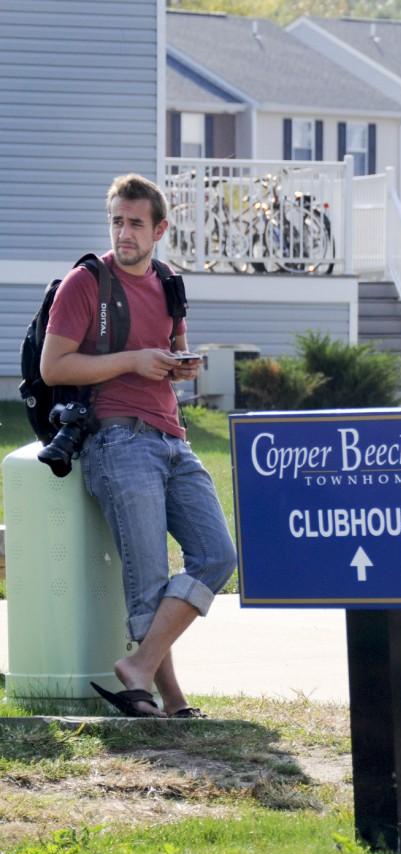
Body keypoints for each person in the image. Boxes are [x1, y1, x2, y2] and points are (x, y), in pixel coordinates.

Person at [41, 173, 237, 717]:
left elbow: (171, 352)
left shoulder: (170, 282)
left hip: (173, 436)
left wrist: (181, 366)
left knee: (218, 554)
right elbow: (53, 365)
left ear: (160, 229)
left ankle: (137, 670)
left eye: (135, 224)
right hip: (116, 439)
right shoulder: (85, 283)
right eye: (117, 222)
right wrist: (133, 360)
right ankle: (170, 700)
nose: (123, 233)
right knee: (148, 579)